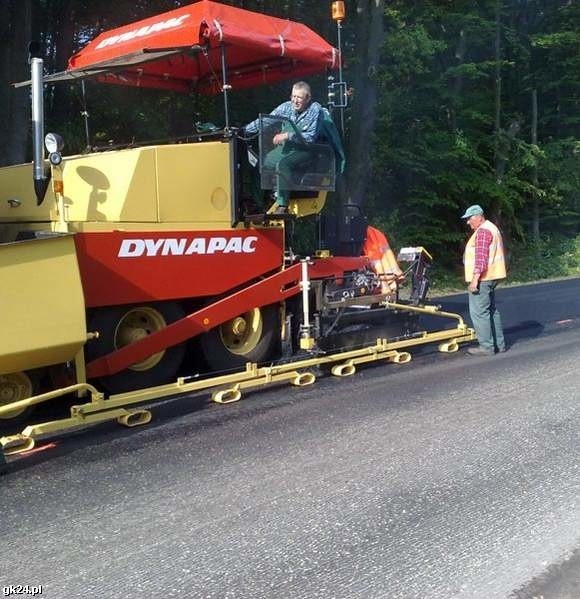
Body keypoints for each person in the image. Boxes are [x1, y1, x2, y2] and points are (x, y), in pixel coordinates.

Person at [242, 81, 322, 214]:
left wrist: (286, 136)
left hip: (306, 150)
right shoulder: (286, 107)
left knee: (283, 164)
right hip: (287, 148)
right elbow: (266, 121)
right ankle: (258, 204)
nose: (295, 101)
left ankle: (282, 205)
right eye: (293, 96)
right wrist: (243, 131)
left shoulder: (315, 110)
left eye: (299, 98)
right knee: (260, 165)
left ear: (308, 98)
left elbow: (310, 138)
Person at [461, 204, 507, 355]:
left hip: (483, 278)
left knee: (479, 312)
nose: (468, 222)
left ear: (479, 217)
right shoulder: (492, 228)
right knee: (492, 310)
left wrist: (475, 280)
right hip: (493, 276)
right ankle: (499, 345)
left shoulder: (483, 231)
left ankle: (486, 347)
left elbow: (481, 259)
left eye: (469, 219)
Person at [362, 225, 404, 296]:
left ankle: (385, 285)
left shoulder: (369, 234)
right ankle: (392, 281)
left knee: (376, 261)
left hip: (379, 267)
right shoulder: (375, 232)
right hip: (392, 273)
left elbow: (374, 259)